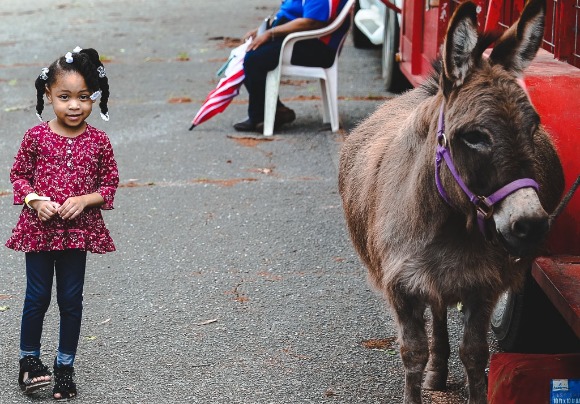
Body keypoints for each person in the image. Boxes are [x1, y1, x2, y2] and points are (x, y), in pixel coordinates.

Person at [6, 46, 119, 400]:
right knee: (37, 297)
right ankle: (29, 361)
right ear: (48, 95)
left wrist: (85, 200)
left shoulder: (99, 141)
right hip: (39, 230)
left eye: (84, 97)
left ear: (94, 98)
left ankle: (65, 365)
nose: (74, 105)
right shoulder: (35, 137)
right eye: (65, 96)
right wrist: (35, 201)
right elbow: (18, 176)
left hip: (77, 232)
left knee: (71, 300)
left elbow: (109, 184)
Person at [234, 0, 351, 132]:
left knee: (255, 59)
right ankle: (275, 111)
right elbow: (290, 13)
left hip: (318, 47)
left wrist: (270, 33)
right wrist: (263, 29)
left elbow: (312, 22)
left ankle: (261, 116)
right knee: (249, 53)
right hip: (301, 38)